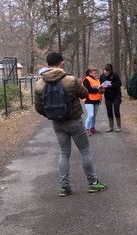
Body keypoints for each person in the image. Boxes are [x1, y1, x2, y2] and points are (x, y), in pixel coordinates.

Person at [34, 52, 107, 197]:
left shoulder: (40, 83)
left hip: (57, 123)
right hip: (74, 121)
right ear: (62, 63)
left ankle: (64, 187)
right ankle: (93, 183)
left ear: (47, 65)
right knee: (85, 150)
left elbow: (38, 107)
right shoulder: (70, 80)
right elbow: (85, 94)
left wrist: (51, 115)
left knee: (64, 153)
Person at [100, 63, 122, 132]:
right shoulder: (102, 76)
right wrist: (101, 89)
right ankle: (111, 127)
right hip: (107, 96)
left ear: (110, 71)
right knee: (109, 110)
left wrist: (111, 85)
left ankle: (119, 126)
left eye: (107, 73)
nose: (106, 74)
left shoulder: (115, 75)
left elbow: (119, 84)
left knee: (116, 109)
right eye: (105, 72)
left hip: (116, 95)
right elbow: (101, 85)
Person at [82, 67, 103, 136]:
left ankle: (92, 128)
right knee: (91, 115)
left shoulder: (97, 80)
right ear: (90, 73)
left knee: (94, 116)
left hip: (96, 100)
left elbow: (99, 89)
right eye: (94, 73)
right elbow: (88, 90)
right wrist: (98, 90)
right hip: (88, 100)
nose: (96, 74)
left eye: (97, 73)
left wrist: (102, 90)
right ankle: (86, 129)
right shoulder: (86, 79)